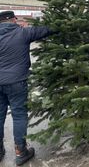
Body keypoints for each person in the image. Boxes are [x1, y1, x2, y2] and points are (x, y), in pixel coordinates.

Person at [0, 11, 55, 166]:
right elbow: (46, 29)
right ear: (13, 20)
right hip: (17, 82)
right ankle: (20, 151)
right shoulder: (23, 33)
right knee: (19, 115)